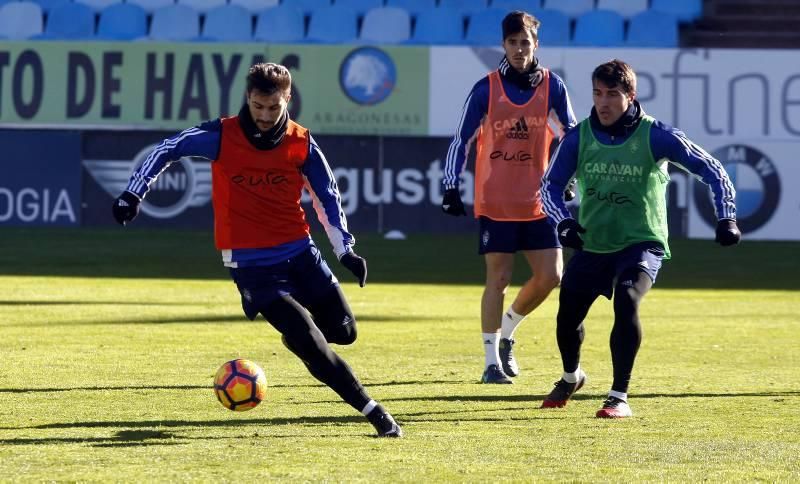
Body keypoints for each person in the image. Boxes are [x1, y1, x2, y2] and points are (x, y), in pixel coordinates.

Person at [111, 63, 402, 437]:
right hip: (252, 266)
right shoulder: (221, 135)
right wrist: (134, 192)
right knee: (313, 344)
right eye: (257, 106)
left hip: (301, 254)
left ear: (288, 100)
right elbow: (169, 148)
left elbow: (327, 198)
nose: (264, 116)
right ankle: (376, 413)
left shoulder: (302, 143)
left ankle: (295, 337)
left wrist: (345, 251)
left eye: (273, 108)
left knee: (344, 333)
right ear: (248, 99)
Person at [539, 59, 740, 418]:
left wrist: (726, 216)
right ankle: (572, 376)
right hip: (593, 241)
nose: (603, 102)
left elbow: (712, 168)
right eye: (598, 93)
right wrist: (563, 223)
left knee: (627, 299)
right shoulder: (578, 136)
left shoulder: (656, 134)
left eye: (612, 94)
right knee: (567, 317)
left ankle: (619, 396)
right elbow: (549, 186)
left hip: (641, 241)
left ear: (630, 96)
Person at [441, 11, 577, 384]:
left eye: (526, 43)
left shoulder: (553, 86)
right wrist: (450, 185)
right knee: (497, 279)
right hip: (496, 200)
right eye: (513, 42)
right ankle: (491, 363)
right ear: (503, 44)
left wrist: (566, 177)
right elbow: (461, 139)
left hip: (539, 202)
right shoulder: (486, 88)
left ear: (536, 45)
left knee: (551, 276)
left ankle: (508, 329)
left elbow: (573, 135)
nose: (519, 49)